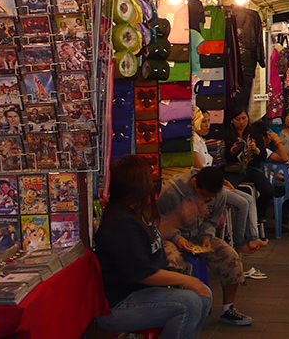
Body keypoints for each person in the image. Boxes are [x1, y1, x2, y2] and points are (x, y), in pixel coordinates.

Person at [94, 156, 212, 338]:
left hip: (139, 293)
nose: (154, 183)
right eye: (149, 178)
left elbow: (152, 236)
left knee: (204, 297)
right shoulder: (121, 223)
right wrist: (187, 281)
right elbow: (144, 274)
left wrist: (178, 218)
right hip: (120, 304)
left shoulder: (133, 214)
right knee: (190, 303)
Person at [157, 167, 253, 326]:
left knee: (230, 257)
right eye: (203, 195)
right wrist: (177, 238)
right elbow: (160, 221)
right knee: (173, 261)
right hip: (171, 236)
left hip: (198, 235)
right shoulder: (172, 190)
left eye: (209, 198)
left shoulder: (219, 194)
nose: (205, 200)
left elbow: (212, 221)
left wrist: (206, 237)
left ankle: (228, 309)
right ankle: (177, 311)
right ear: (195, 183)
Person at [191, 107, 267, 259]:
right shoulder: (193, 143)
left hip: (217, 180)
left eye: (208, 121)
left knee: (248, 198)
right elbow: (202, 171)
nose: (207, 125)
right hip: (207, 186)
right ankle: (239, 243)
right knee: (242, 203)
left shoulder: (202, 141)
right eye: (203, 121)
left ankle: (252, 237)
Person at [225, 109, 274, 220]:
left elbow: (263, 155)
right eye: (238, 119)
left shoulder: (254, 134)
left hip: (251, 169)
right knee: (230, 190)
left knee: (268, 191)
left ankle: (258, 216)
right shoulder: (227, 134)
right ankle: (236, 218)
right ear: (232, 120)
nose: (241, 122)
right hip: (234, 169)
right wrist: (232, 152)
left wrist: (256, 151)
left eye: (244, 118)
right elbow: (225, 157)